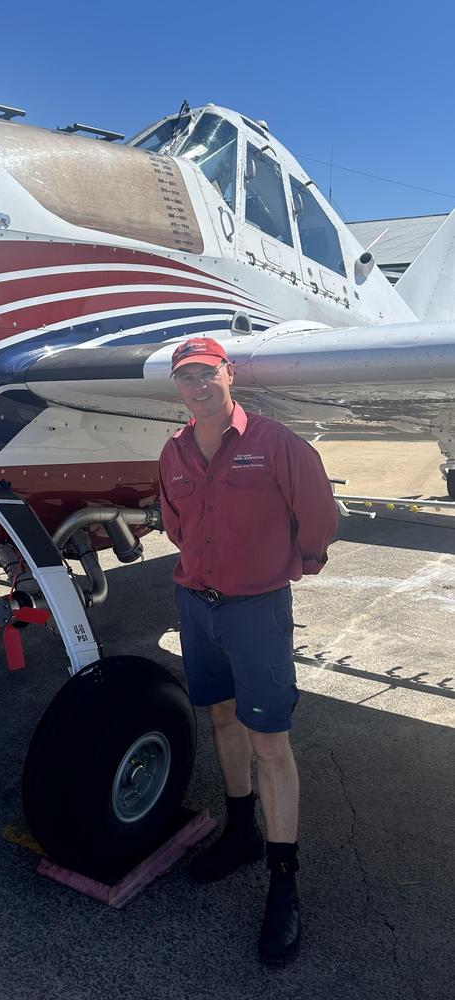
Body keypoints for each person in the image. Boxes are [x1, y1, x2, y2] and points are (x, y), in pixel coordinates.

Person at [158, 336, 338, 966]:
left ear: (227, 374)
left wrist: (300, 562)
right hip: (195, 606)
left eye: (206, 372)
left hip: (256, 609)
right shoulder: (174, 450)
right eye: (185, 376)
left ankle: (284, 882)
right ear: (177, 385)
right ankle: (241, 834)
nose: (197, 385)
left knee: (271, 743)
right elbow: (175, 522)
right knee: (221, 716)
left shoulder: (274, 443)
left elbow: (318, 511)